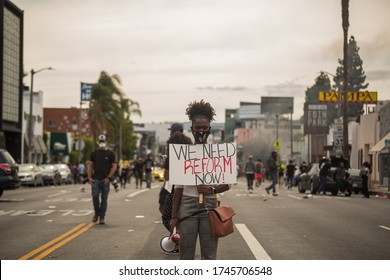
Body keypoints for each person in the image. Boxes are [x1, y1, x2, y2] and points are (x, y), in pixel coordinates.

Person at [170, 99, 231, 260]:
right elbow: (178, 188)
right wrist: (174, 216)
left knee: (209, 256)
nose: (201, 131)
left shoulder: (218, 152)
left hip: (209, 207)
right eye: (198, 128)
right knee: (186, 255)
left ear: (210, 129)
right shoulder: (183, 153)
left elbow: (227, 184)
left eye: (205, 128)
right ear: (192, 129)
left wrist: (211, 190)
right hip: (187, 207)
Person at [87, 134, 117, 225]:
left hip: (105, 180)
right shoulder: (94, 153)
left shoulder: (111, 154)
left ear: (106, 142)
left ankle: (102, 216)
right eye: (100, 141)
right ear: (98, 142)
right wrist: (89, 177)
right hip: (96, 179)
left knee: (104, 199)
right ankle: (97, 213)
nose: (102, 143)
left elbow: (114, 166)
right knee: (95, 196)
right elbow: (90, 165)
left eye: (103, 141)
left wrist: (109, 177)